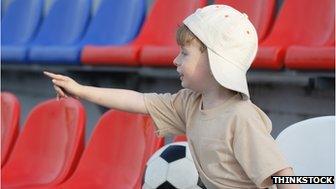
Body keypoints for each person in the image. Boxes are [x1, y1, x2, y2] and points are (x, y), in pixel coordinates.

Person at [44, 5, 300, 189]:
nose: (175, 60)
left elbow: (281, 174)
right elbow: (138, 101)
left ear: (214, 60)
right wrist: (81, 90)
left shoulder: (241, 118)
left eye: (185, 54)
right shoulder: (189, 103)